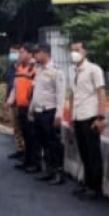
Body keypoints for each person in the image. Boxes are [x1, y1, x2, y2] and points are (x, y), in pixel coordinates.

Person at [69, 40, 107, 200]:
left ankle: (95, 187)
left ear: (85, 51)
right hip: (78, 114)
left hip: (90, 114)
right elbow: (72, 94)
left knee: (93, 153)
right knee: (84, 152)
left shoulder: (94, 70)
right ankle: (87, 183)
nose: (74, 53)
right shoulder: (72, 70)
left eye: (77, 49)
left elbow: (101, 93)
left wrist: (101, 117)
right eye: (72, 50)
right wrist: (71, 115)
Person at [29, 43, 67, 185]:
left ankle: (58, 172)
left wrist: (59, 114)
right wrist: (31, 109)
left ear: (45, 53)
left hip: (49, 111)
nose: (35, 56)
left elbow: (60, 94)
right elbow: (36, 92)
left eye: (37, 53)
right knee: (43, 143)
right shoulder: (38, 70)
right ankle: (49, 170)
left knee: (54, 144)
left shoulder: (56, 71)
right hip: (39, 111)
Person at [6, 44, 38, 174]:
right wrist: (9, 101)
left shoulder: (35, 68)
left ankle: (34, 163)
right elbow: (15, 87)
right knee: (25, 135)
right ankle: (27, 161)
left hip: (30, 107)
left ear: (30, 54)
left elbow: (36, 89)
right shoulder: (19, 68)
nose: (19, 55)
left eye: (22, 52)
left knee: (32, 136)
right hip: (20, 106)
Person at [4, 46, 26, 160]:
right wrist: (6, 100)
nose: (12, 55)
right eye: (10, 52)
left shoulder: (23, 68)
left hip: (21, 102)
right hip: (12, 101)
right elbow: (9, 85)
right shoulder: (10, 68)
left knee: (23, 128)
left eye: (14, 53)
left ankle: (25, 151)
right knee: (16, 128)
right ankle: (19, 149)